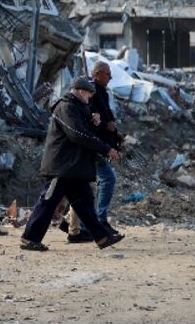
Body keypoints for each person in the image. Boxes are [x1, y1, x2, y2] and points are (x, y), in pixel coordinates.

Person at [20, 77, 124, 252]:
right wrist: (106, 149)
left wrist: (94, 124)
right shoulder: (66, 107)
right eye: (89, 94)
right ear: (81, 91)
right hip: (62, 166)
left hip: (74, 167)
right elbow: (77, 135)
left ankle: (102, 237)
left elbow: (84, 132)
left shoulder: (78, 108)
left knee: (85, 202)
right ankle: (29, 239)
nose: (90, 98)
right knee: (48, 201)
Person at [66, 61, 122, 243]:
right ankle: (97, 222)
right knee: (105, 180)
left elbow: (104, 118)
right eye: (107, 74)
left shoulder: (101, 93)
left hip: (96, 146)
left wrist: (115, 136)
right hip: (91, 147)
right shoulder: (78, 101)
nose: (110, 77)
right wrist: (105, 129)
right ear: (97, 74)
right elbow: (85, 127)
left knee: (81, 190)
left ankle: (75, 227)